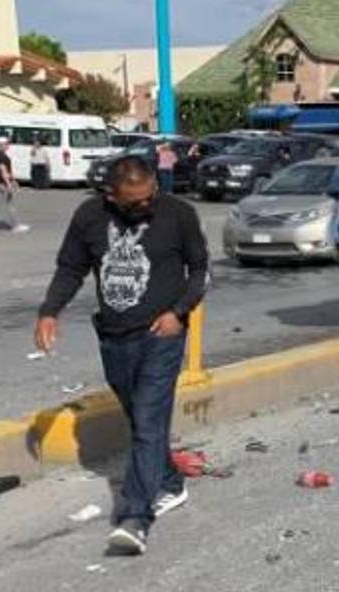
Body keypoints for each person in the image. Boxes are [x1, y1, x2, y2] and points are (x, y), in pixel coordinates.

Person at [34, 156, 210, 555]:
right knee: (140, 418)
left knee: (148, 421)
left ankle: (135, 518)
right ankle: (170, 482)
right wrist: (50, 310)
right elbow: (70, 268)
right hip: (114, 337)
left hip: (162, 336)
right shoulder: (89, 216)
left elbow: (200, 271)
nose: (146, 208)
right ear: (110, 195)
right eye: (135, 204)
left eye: (150, 198)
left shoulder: (178, 213)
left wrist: (177, 312)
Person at [0, 136, 28, 234]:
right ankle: (16, 226)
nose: (8, 146)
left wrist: (13, 180)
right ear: (1, 145)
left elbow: (6, 170)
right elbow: (3, 170)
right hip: (1, 184)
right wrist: (9, 184)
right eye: (7, 144)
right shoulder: (0, 156)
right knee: (10, 204)